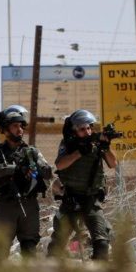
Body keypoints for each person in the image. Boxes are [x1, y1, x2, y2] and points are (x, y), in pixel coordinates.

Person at [47, 109, 117, 261]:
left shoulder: (97, 144)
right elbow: (60, 165)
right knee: (56, 246)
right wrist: (80, 152)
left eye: (89, 128)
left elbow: (113, 164)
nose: (87, 132)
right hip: (70, 200)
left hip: (91, 201)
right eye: (82, 129)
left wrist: (106, 147)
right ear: (74, 131)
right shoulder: (68, 144)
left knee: (102, 244)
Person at [0, 106, 53, 259]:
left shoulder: (32, 151)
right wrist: (17, 169)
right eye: (15, 126)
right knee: (1, 250)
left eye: (21, 126)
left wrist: (37, 167)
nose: (20, 129)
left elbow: (47, 172)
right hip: (6, 206)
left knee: (29, 248)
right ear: (5, 130)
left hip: (28, 205)